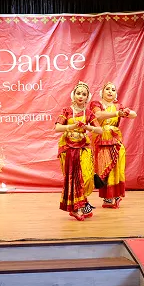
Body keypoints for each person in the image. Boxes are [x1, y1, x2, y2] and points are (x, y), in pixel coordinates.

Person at [55, 81, 103, 221]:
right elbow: (57, 128)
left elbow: (99, 130)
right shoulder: (67, 111)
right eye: (78, 93)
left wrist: (87, 127)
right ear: (73, 95)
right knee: (73, 178)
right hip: (69, 149)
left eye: (84, 94)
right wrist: (72, 126)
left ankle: (83, 205)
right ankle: (76, 209)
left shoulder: (88, 113)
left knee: (86, 178)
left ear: (87, 97)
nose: (80, 96)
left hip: (83, 148)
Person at [90, 82, 136, 209]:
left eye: (113, 90)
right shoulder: (96, 104)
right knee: (104, 168)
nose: (110, 91)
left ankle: (115, 196)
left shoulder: (118, 106)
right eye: (107, 89)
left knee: (117, 168)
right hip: (101, 140)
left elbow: (134, 114)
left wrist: (125, 111)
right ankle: (107, 197)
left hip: (115, 140)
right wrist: (118, 113)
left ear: (115, 94)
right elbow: (98, 115)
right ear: (102, 92)